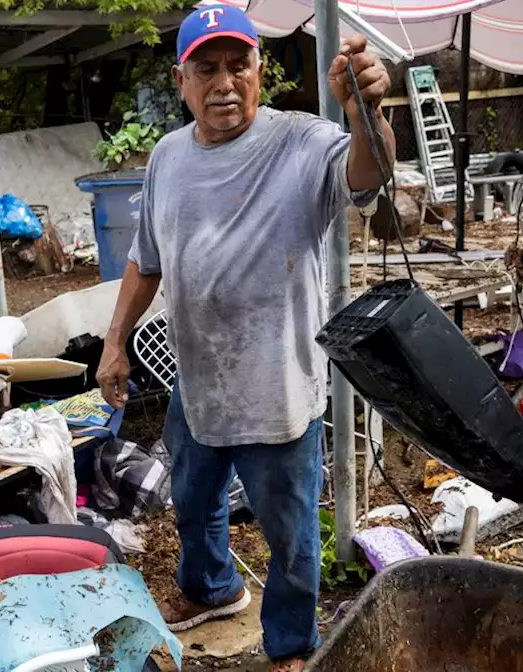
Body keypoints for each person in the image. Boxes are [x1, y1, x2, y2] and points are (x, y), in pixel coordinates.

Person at [94, 5, 394, 670]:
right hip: (197, 382)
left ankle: (290, 645)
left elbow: (368, 175)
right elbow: (146, 260)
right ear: (182, 81)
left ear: (261, 72)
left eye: (239, 65)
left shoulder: (303, 142)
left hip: (276, 391)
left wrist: (368, 112)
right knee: (194, 502)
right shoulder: (168, 158)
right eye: (207, 69)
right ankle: (212, 589)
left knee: (290, 538)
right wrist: (115, 342)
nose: (224, 82)